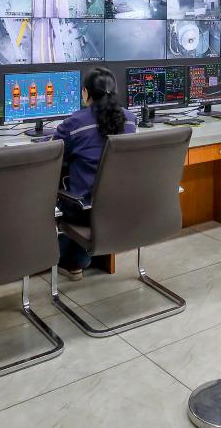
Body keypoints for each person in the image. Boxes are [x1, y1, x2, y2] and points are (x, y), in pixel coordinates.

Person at [52, 67, 136, 280]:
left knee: (48, 192)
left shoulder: (74, 124)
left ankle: (72, 260)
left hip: (84, 210)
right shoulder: (130, 120)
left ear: (85, 93)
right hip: (120, 206)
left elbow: (51, 154)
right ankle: (79, 258)